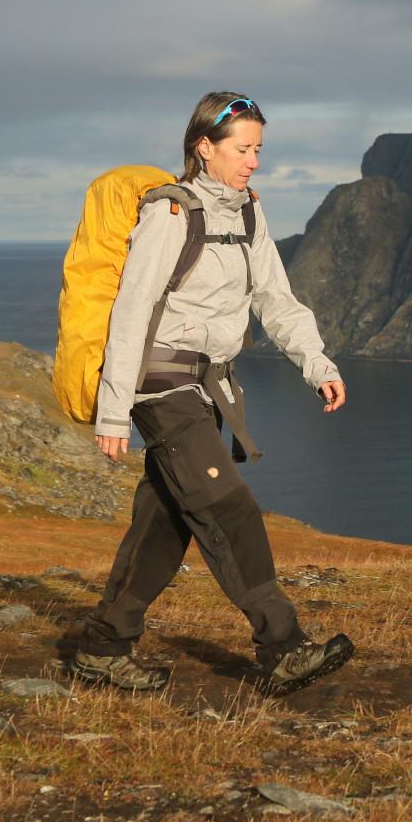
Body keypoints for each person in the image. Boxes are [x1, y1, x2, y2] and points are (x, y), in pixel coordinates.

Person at [70, 91, 352, 695]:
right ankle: (282, 646)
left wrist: (316, 363)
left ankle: (102, 647)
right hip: (158, 385)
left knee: (167, 517)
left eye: (258, 149)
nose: (253, 161)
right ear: (205, 148)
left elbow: (277, 299)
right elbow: (130, 312)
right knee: (229, 506)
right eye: (242, 149)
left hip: (208, 385)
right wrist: (113, 413)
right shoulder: (170, 215)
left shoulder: (250, 214)